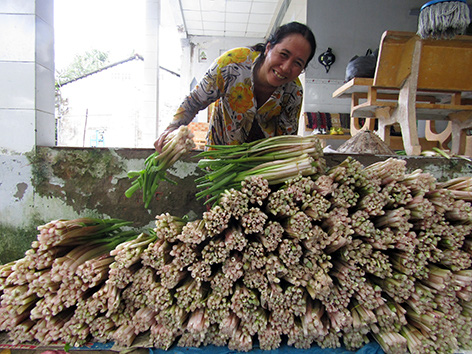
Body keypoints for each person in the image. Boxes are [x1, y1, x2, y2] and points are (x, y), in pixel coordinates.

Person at [154, 21, 316, 151]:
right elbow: (195, 101)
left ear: (302, 69)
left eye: (297, 63)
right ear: (268, 48)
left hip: (262, 168)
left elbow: (285, 141)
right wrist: (172, 129)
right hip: (219, 158)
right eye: (283, 54)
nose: (286, 67)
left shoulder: (294, 91)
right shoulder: (231, 64)